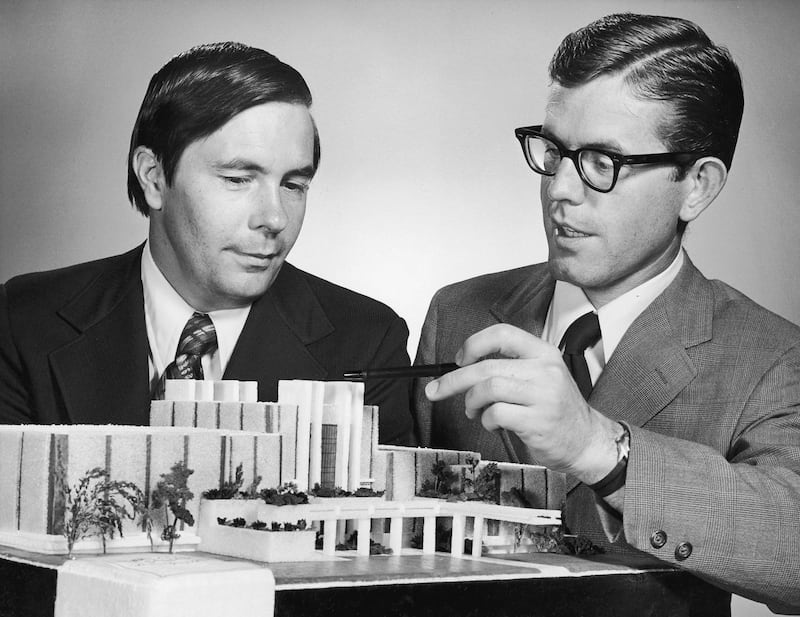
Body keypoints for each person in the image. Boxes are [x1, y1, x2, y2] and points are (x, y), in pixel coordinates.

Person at [413, 13, 800, 613]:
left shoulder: (771, 356)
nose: (560, 189)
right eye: (553, 151)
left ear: (696, 185)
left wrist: (600, 446)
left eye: (601, 162)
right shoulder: (457, 312)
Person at [0, 42, 414, 445]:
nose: (275, 218)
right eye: (237, 179)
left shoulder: (367, 343)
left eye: (293, 184)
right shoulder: (22, 321)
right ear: (154, 177)